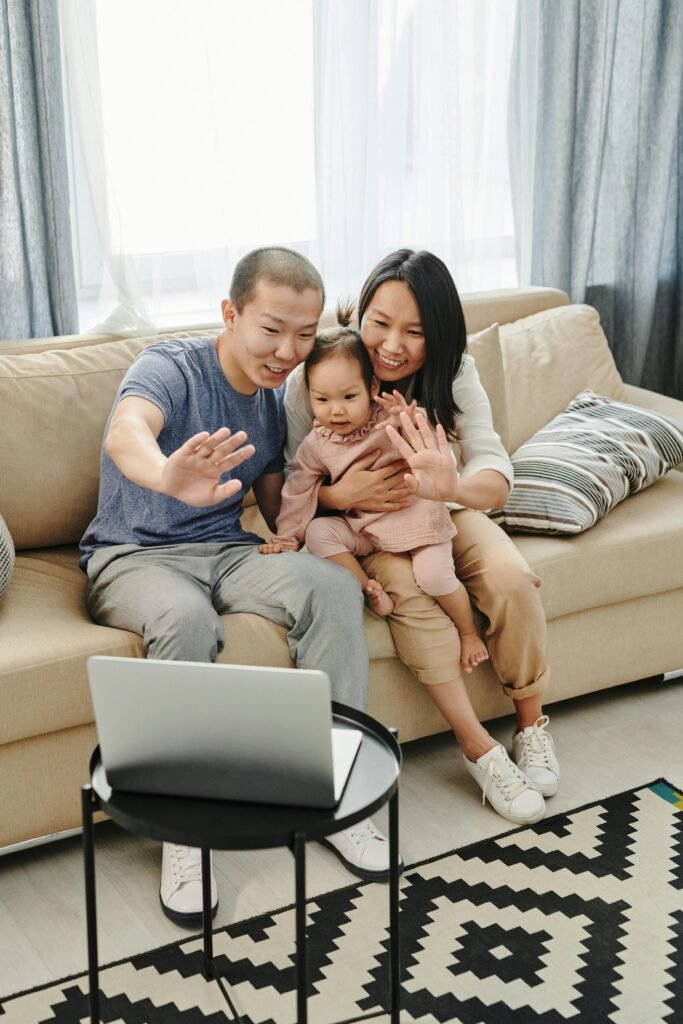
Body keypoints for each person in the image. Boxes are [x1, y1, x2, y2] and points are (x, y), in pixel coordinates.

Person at [80, 247, 397, 927]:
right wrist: (166, 475)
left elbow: (281, 498)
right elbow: (126, 433)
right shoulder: (170, 366)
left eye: (305, 334)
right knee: (187, 621)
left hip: (227, 550)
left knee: (330, 591)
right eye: (272, 329)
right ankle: (181, 833)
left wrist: (333, 511)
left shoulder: (272, 401)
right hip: (134, 556)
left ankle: (330, 795)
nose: (289, 351)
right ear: (230, 313)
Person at [285, 249, 560, 827]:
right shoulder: (320, 370)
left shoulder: (453, 371)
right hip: (368, 531)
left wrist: (452, 484)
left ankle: (531, 726)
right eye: (379, 322)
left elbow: (493, 469)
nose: (391, 344)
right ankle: (478, 748)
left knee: (509, 577)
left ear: (438, 334)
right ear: (359, 312)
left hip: (441, 508)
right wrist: (341, 494)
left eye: (414, 332)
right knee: (412, 591)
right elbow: (290, 481)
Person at [261, 305, 489, 674]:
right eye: (322, 400)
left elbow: (433, 447)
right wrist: (289, 535)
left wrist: (408, 419)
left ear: (371, 387)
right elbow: (298, 489)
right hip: (364, 529)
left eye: (349, 397)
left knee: (433, 576)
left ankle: (467, 634)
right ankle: (370, 589)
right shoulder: (316, 444)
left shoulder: (389, 420)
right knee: (320, 533)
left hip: (413, 520)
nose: (336, 411)